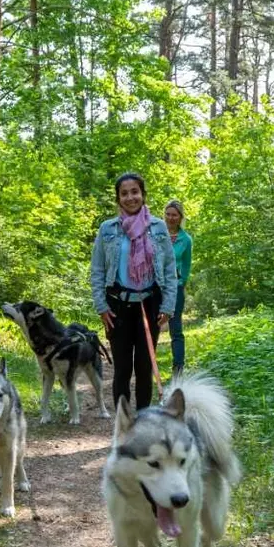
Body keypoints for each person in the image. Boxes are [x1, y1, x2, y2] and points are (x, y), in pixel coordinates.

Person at [89, 173, 178, 411]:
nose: (131, 197)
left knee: (145, 366)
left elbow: (170, 269)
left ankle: (143, 419)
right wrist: (101, 306)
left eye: (135, 192)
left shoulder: (158, 227)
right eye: (125, 193)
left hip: (150, 304)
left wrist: (168, 307)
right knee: (122, 368)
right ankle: (123, 421)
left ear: (143, 194)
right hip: (117, 306)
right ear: (118, 198)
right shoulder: (107, 229)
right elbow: (97, 270)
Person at [164, 200, 192, 376]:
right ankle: (146, 365)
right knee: (150, 327)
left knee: (175, 328)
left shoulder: (186, 239)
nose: (171, 218)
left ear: (180, 217)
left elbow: (187, 265)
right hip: (155, 287)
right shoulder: (156, 234)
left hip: (175, 288)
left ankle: (178, 368)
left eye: (174, 214)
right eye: (168, 214)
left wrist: (181, 283)